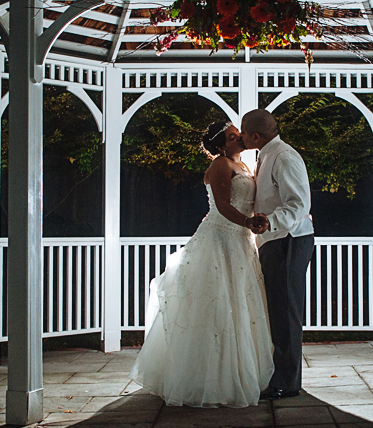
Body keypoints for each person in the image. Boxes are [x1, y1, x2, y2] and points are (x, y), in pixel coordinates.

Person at [128, 121, 274, 407]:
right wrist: (247, 221)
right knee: (215, 307)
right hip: (221, 239)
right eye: (233, 137)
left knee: (240, 308)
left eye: (239, 134)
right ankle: (211, 379)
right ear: (222, 145)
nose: (240, 139)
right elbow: (221, 205)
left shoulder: (245, 165)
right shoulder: (221, 165)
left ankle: (239, 372)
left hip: (242, 241)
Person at [239, 109, 315, 400]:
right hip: (275, 239)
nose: (243, 138)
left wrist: (270, 221)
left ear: (255, 136)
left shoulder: (283, 156)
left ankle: (286, 382)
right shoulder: (264, 155)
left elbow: (298, 203)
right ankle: (281, 375)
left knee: (286, 311)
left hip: (288, 240)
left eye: (244, 133)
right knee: (278, 310)